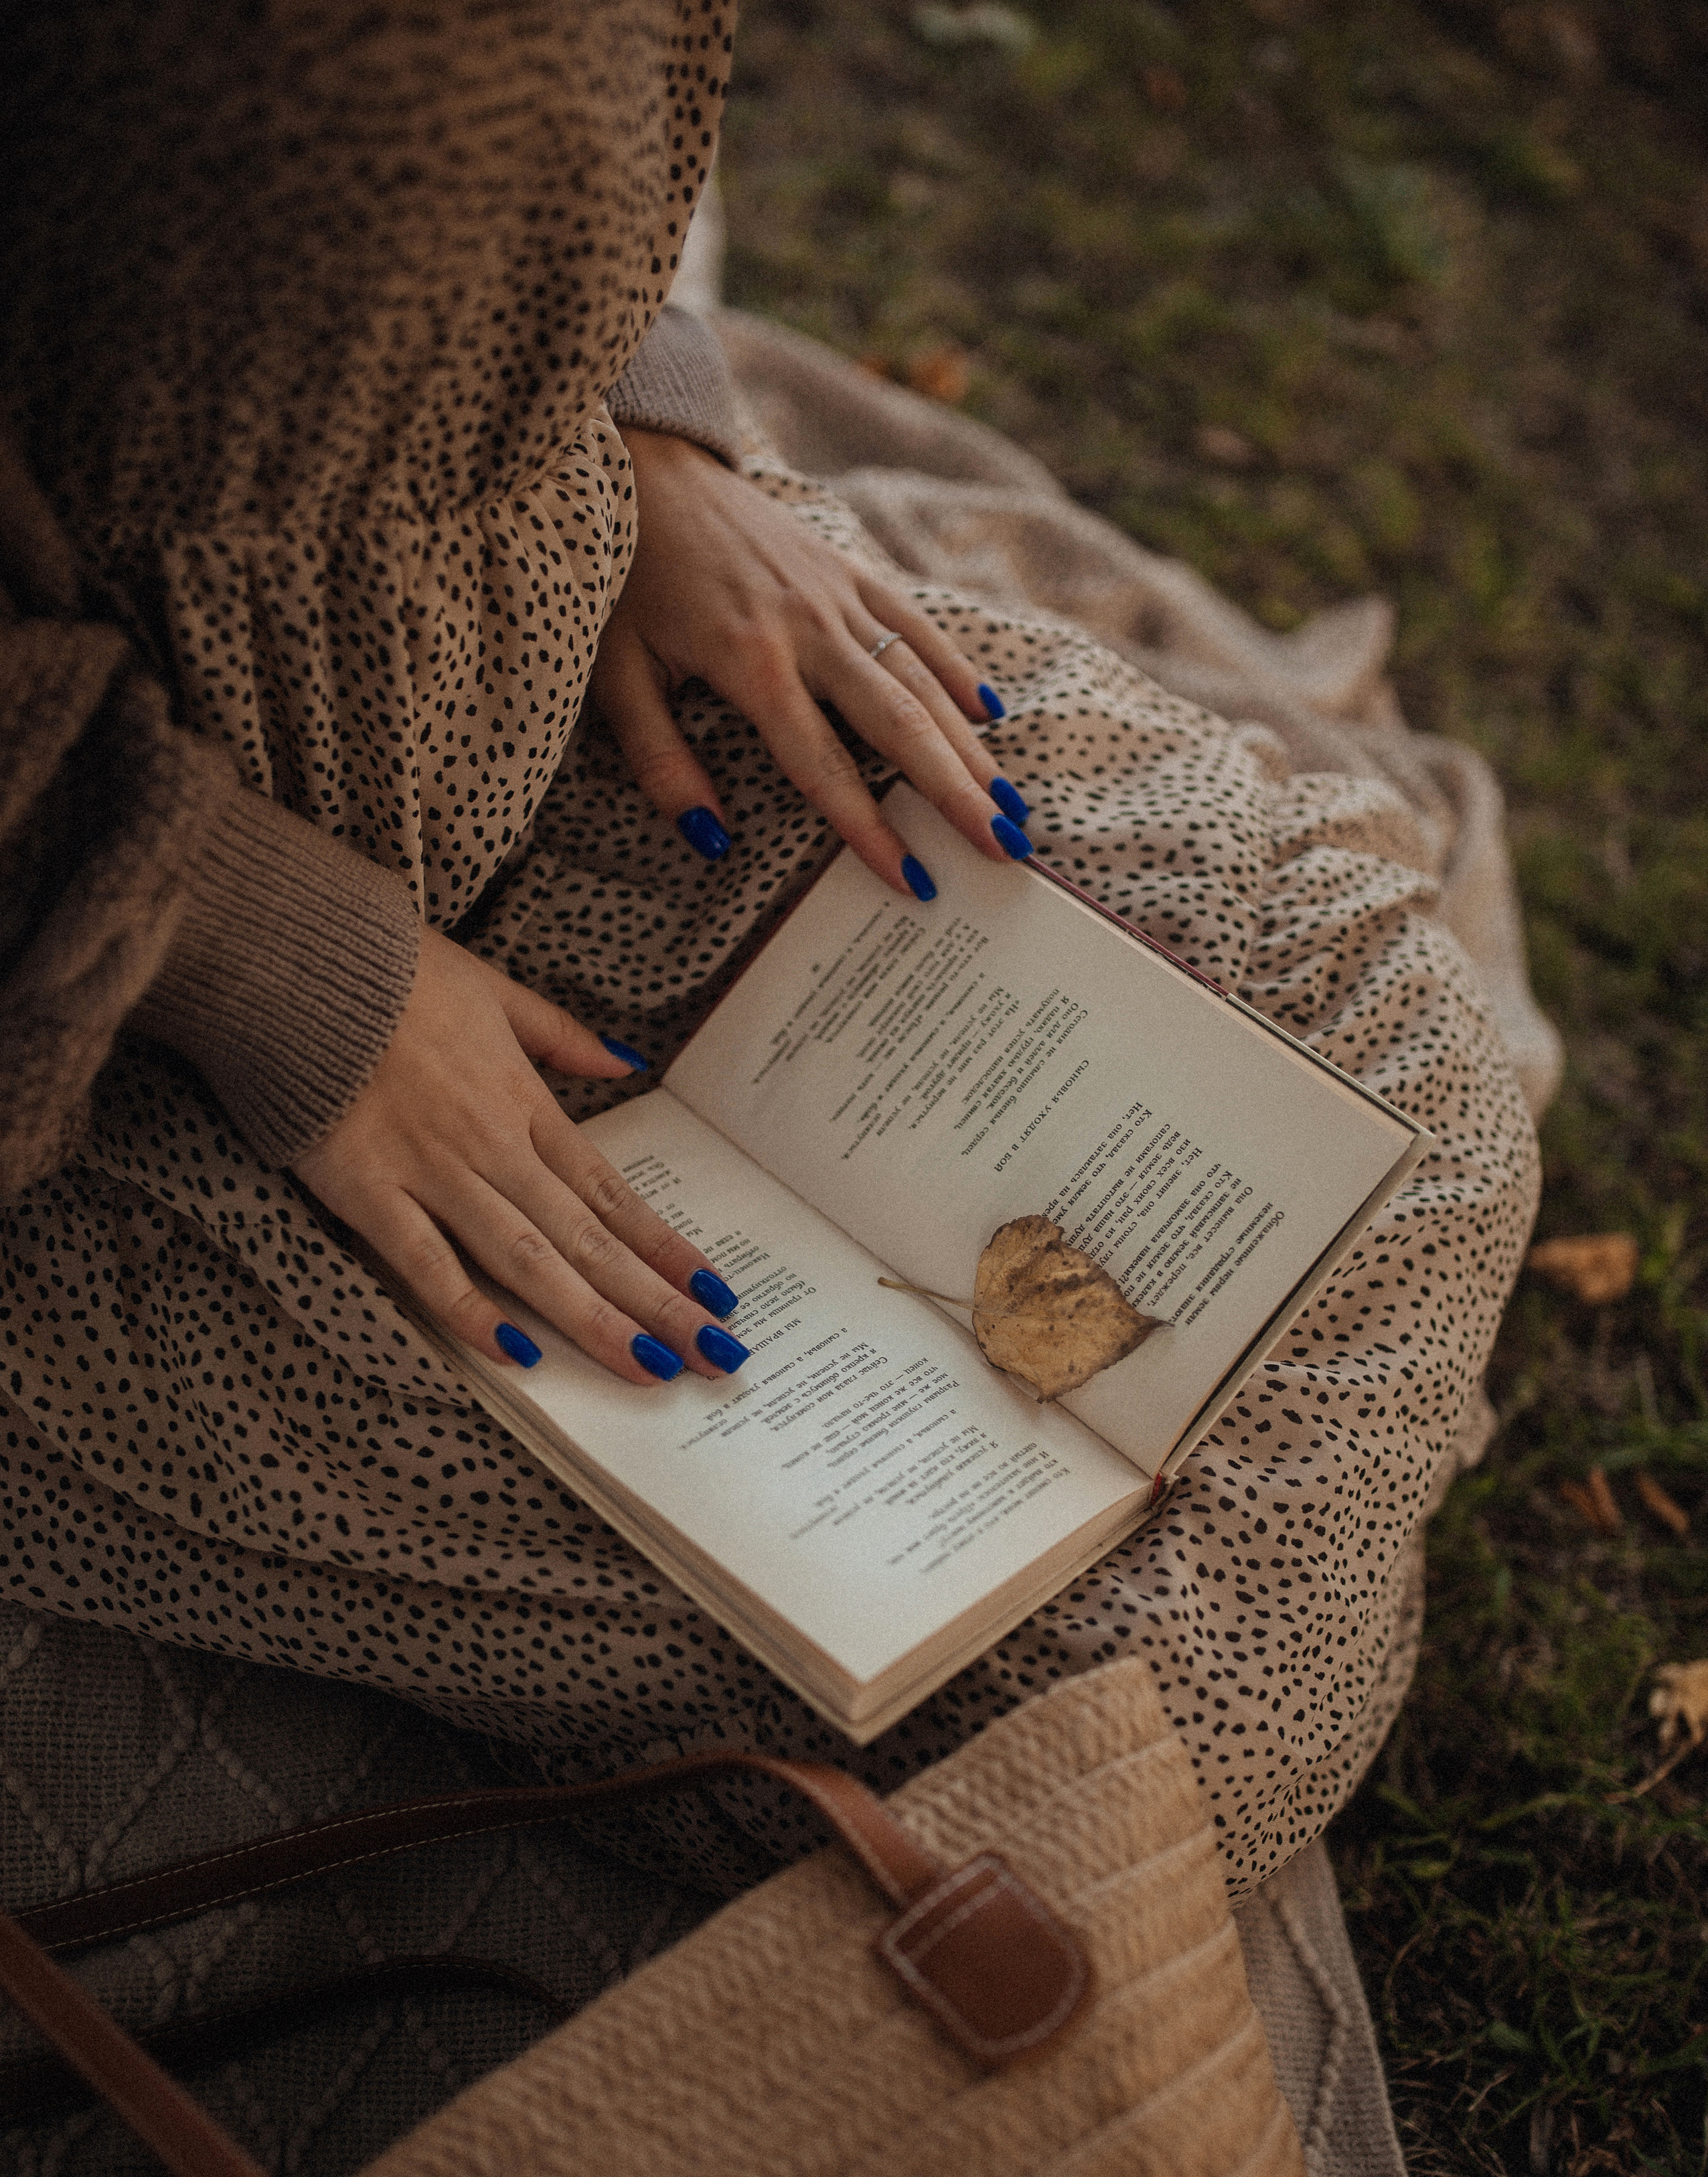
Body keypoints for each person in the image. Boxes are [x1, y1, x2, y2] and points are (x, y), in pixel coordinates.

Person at [0, 0, 1538, 1903]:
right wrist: (267, 960)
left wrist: (645, 416)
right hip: (101, 1016)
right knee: (1091, 1777)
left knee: (1416, 1082)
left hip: (595, 679)